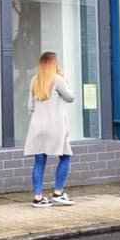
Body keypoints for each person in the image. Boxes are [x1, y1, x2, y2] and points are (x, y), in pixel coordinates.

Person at [23, 51, 75, 207]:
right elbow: (70, 97)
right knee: (65, 156)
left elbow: (29, 107)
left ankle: (38, 197)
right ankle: (58, 193)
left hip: (37, 127)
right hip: (55, 126)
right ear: (54, 63)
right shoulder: (58, 79)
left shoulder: (34, 80)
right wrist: (65, 80)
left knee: (39, 161)